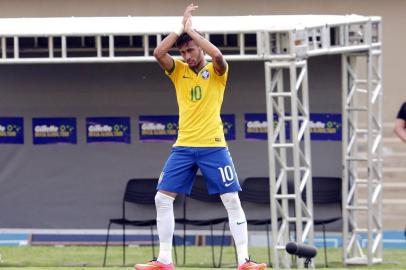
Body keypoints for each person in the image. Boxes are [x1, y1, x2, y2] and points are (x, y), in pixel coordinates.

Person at [135, 4, 267, 270]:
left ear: (198, 46)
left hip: (213, 146)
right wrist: (179, 29)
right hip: (183, 146)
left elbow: (217, 56)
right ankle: (164, 260)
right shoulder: (178, 71)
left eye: (190, 50)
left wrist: (192, 31)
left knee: (231, 200)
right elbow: (159, 52)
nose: (186, 55)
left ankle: (244, 261)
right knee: (162, 198)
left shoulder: (217, 73)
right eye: (182, 51)